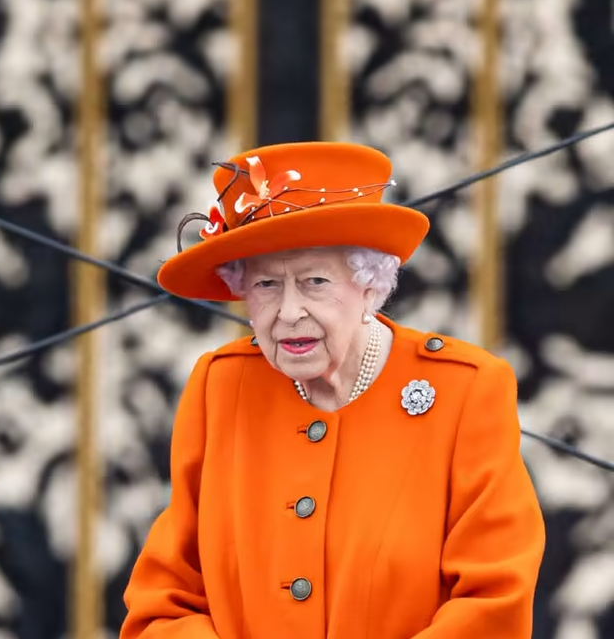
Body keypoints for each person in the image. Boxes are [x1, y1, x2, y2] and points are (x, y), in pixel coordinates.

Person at [120, 142, 545, 638]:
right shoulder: (220, 387)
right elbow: (163, 601)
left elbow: (494, 599)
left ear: (370, 283)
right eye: (266, 286)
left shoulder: (464, 389)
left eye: (315, 281)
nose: (289, 312)